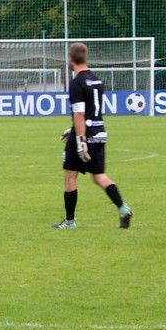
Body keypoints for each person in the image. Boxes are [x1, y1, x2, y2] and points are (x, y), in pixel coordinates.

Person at [53, 43, 133, 230]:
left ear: (70, 59)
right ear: (86, 57)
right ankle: (123, 208)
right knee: (99, 176)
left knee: (70, 177)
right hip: (99, 131)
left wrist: (80, 140)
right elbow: (90, 112)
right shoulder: (97, 80)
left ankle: (70, 222)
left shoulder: (77, 83)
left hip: (85, 135)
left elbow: (80, 114)